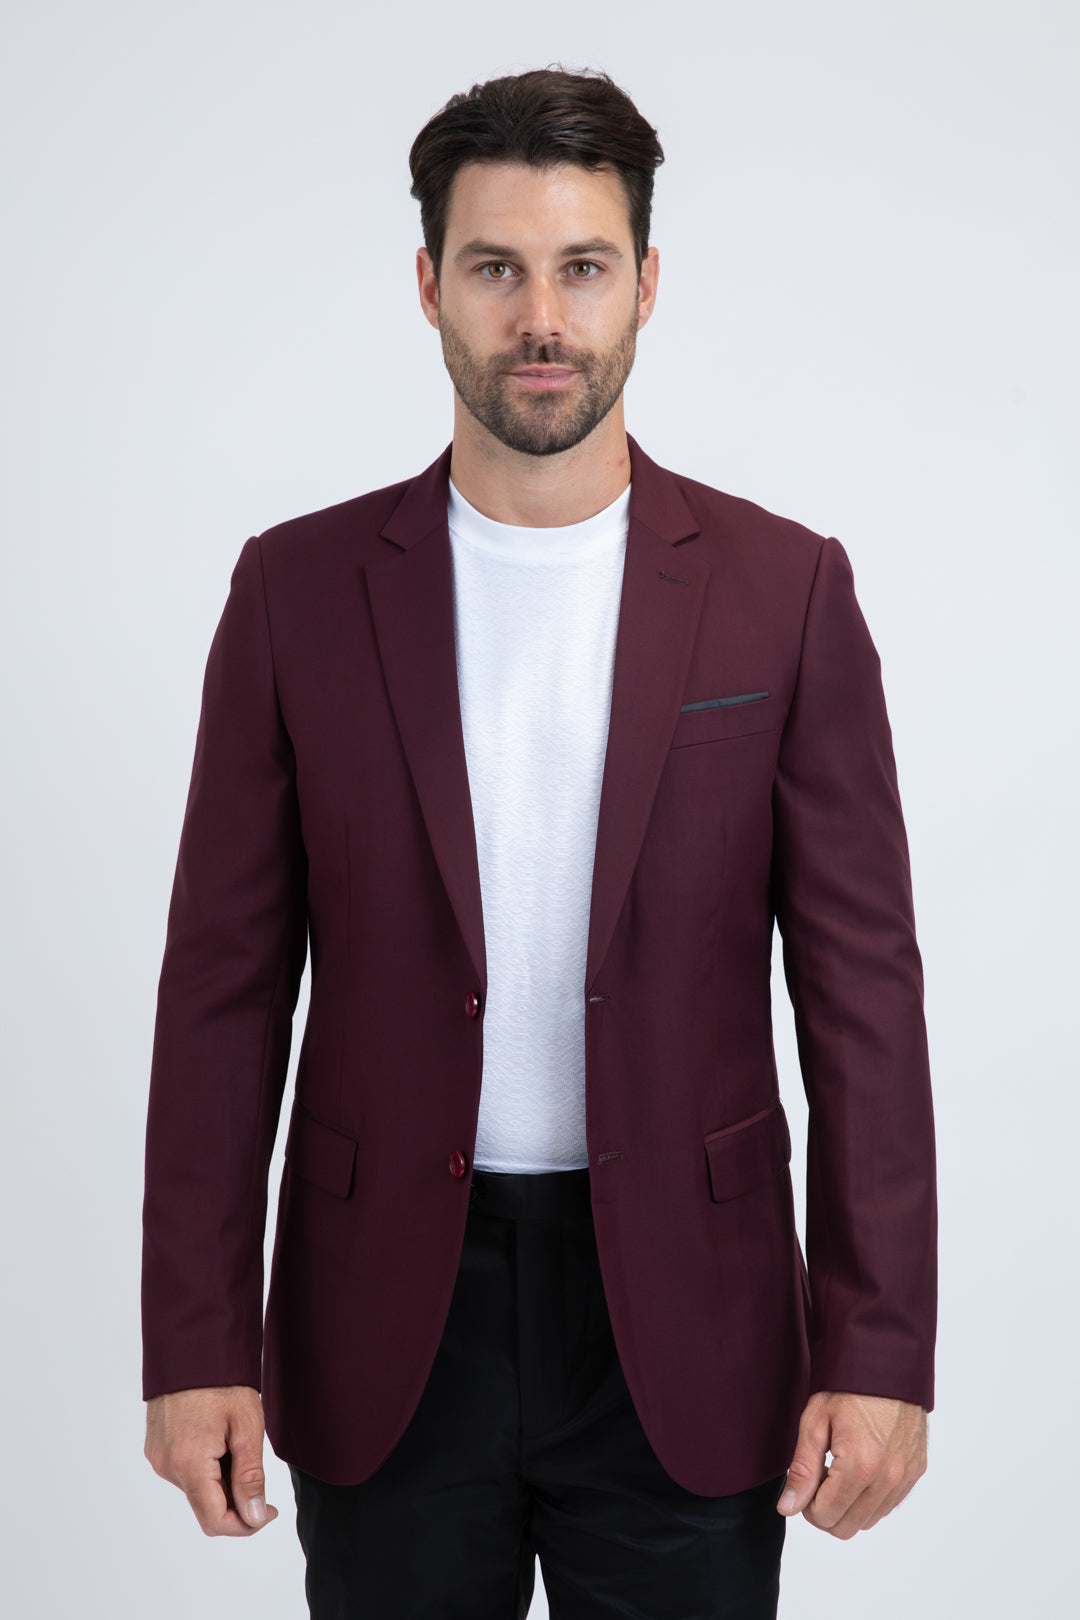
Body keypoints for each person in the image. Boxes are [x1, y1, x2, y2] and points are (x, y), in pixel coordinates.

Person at [142, 66, 937, 1619]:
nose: (541, 318)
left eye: (581, 268)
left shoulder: (786, 592)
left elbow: (864, 997)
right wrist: (193, 1343)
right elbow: (223, 991)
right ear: (430, 283)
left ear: (645, 282)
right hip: (386, 1317)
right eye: (497, 268)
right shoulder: (296, 595)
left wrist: (881, 1345)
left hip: (687, 1323)